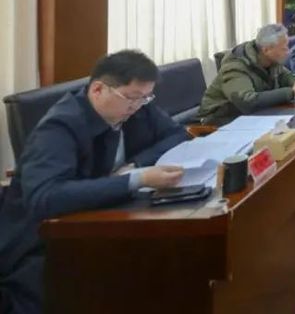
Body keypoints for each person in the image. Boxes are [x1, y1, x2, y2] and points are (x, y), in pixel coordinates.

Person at [0, 50, 189, 313]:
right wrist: (138, 179)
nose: (138, 106)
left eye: (146, 97)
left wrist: (137, 165)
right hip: (44, 240)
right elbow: (46, 197)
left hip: (107, 216)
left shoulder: (136, 108)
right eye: (132, 98)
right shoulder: (60, 127)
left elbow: (177, 134)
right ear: (98, 89)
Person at [198, 23, 295, 125]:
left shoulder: (271, 60)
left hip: (251, 116)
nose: (288, 51)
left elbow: (285, 76)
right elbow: (247, 102)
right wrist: (292, 92)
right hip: (221, 119)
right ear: (266, 50)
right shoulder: (235, 66)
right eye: (284, 48)